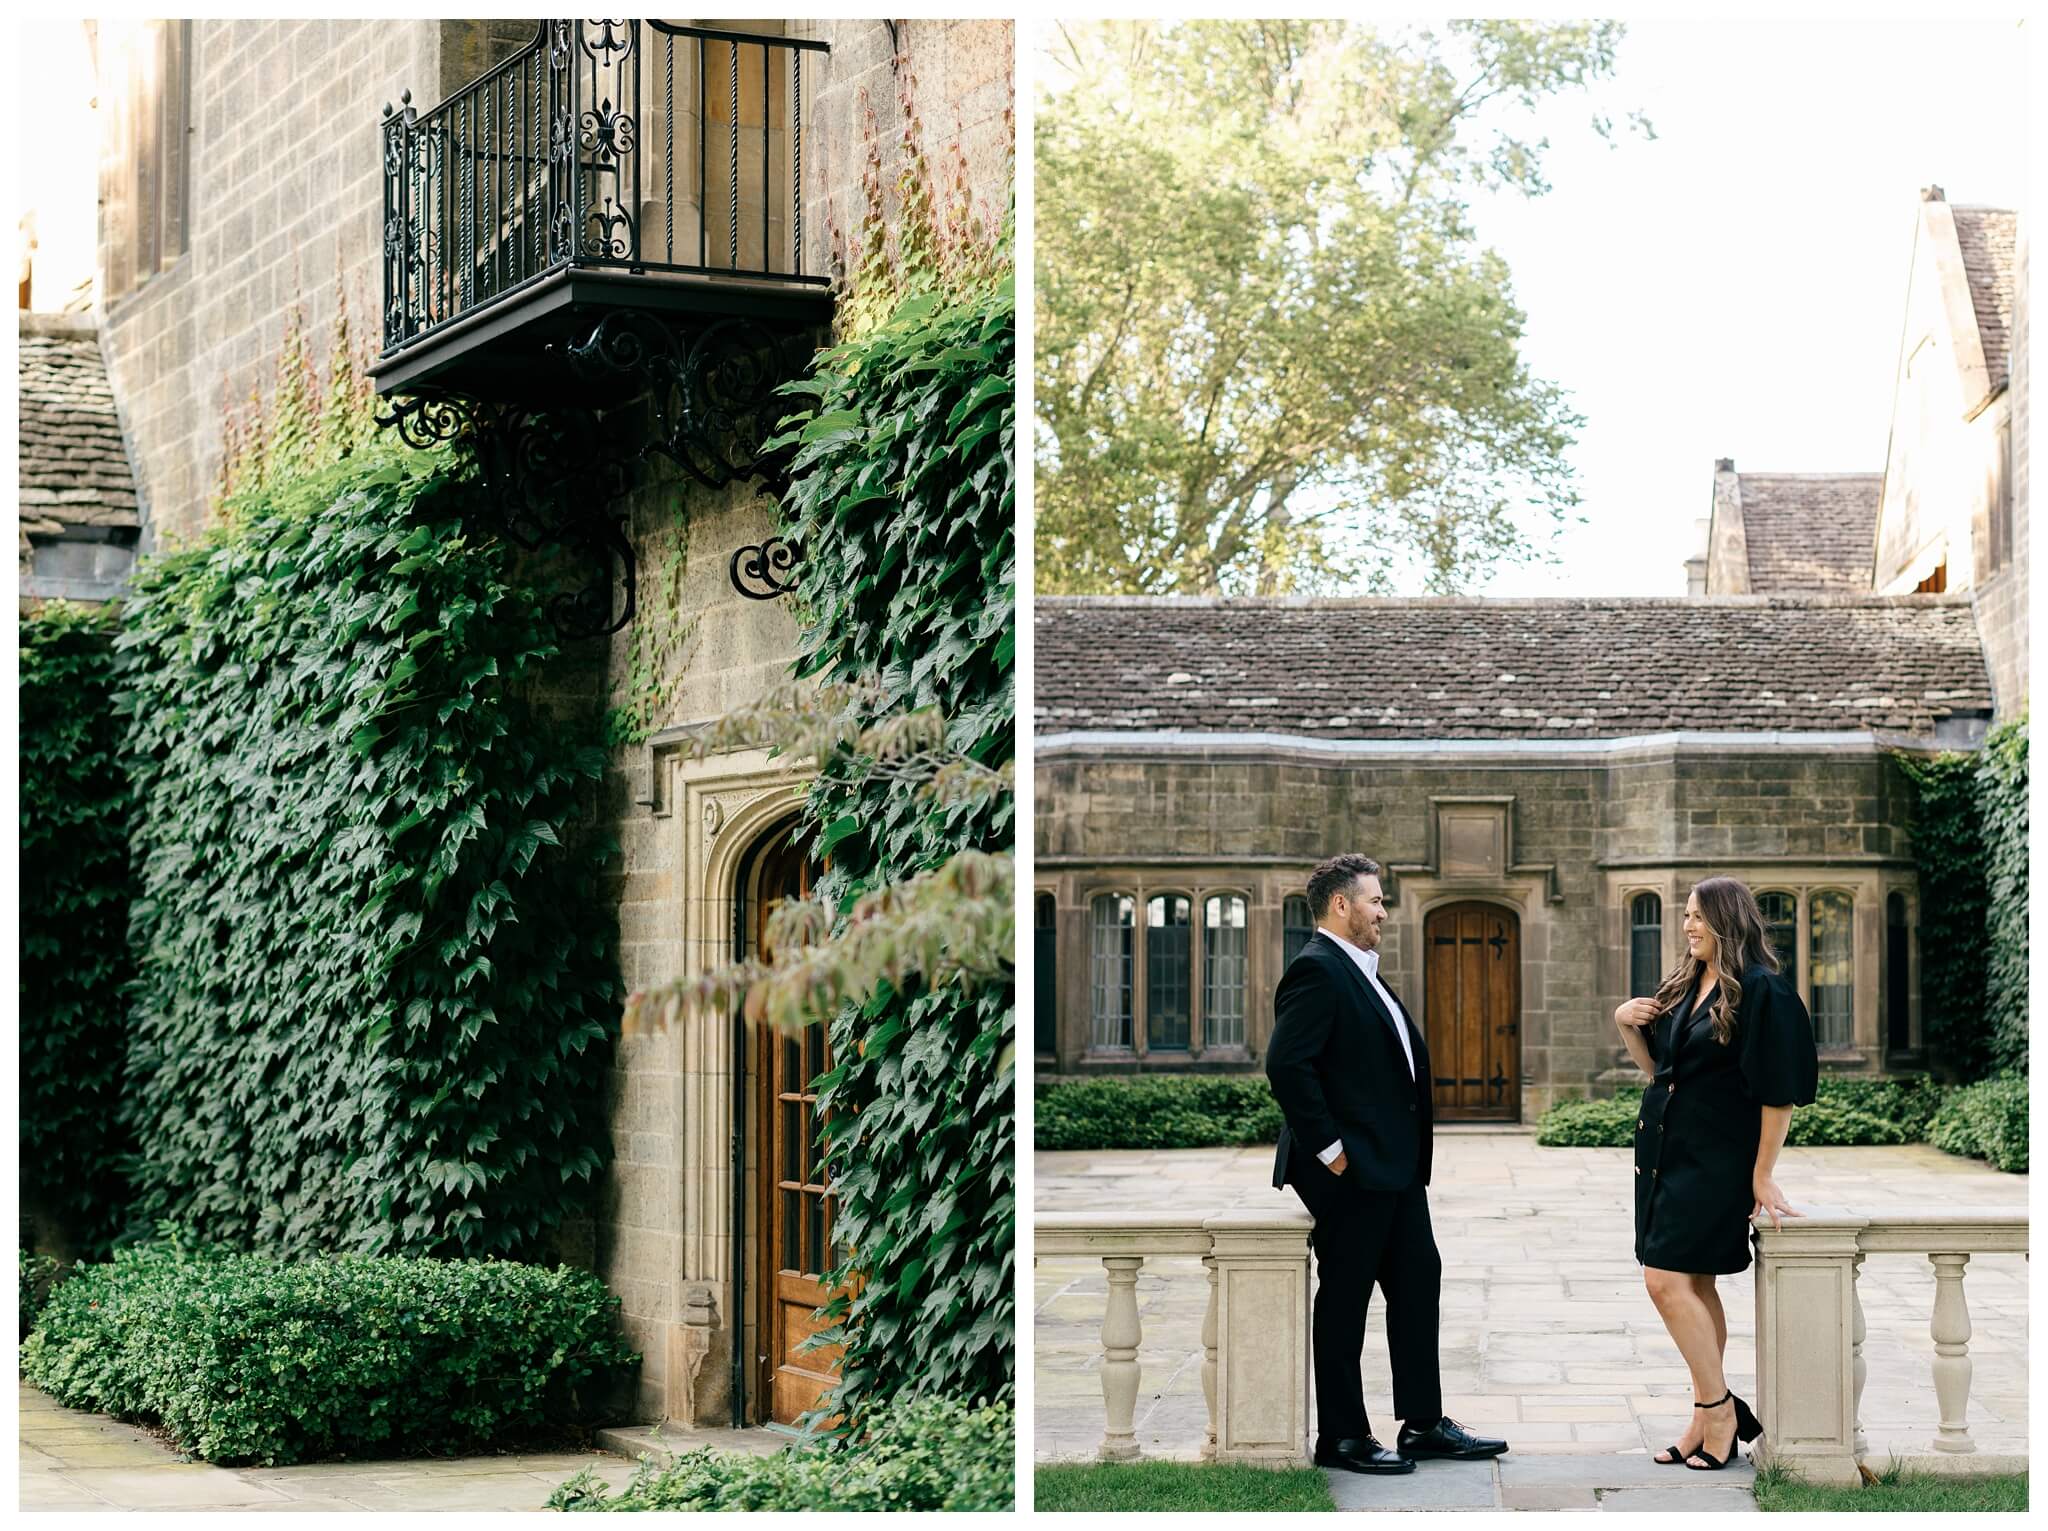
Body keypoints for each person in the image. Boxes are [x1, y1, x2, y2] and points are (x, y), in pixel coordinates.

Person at [1265, 853, 1509, 1475]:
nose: (1383, 911)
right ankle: (1343, 1437)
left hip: (1394, 1170)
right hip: (1351, 1171)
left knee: (1417, 1279)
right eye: (1374, 900)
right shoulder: (1317, 970)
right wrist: (1331, 1151)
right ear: (1341, 905)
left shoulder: (1360, 970)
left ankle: (1423, 1423)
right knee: (1346, 1299)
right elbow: (1287, 1065)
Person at [1613, 876, 1818, 1471]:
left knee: (1663, 1281)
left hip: (1715, 1163)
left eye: (1697, 916)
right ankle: (1704, 1420)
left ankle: (1721, 1409)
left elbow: (1778, 1095)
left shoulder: (1763, 992)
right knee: (1694, 1286)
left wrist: (1762, 1175)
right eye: (1684, 916)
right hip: (1665, 1157)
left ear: (1728, 918)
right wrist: (1628, 1024)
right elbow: (1662, 1070)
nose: (1687, 925)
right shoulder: (1687, 983)